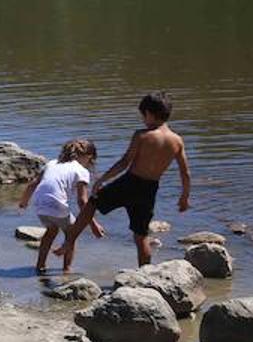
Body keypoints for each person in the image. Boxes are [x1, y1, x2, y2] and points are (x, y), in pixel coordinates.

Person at [56, 93, 192, 268]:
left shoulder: (142, 135)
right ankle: (145, 272)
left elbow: (124, 162)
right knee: (141, 235)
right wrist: (184, 197)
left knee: (93, 202)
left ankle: (70, 240)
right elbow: (185, 172)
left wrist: (101, 180)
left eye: (143, 116)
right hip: (150, 189)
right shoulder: (177, 141)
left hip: (130, 183)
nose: (143, 120)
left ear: (149, 114)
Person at [17, 140, 101, 273]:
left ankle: (40, 265)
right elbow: (82, 201)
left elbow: (32, 184)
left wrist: (24, 202)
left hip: (39, 204)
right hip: (57, 204)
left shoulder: (51, 163)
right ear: (89, 156)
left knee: (51, 231)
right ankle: (66, 269)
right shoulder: (81, 170)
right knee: (71, 234)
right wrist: (93, 225)